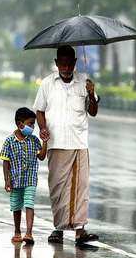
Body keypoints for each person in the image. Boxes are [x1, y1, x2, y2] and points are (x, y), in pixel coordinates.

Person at [32, 45, 100, 245]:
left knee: (80, 188)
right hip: (55, 143)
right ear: (56, 63)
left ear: (75, 63)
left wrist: (92, 93)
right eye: (62, 63)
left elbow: (93, 111)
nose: (66, 67)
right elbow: (39, 111)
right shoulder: (47, 84)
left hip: (78, 142)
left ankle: (80, 231)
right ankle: (58, 229)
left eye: (69, 63)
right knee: (58, 187)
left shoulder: (84, 83)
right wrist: (43, 128)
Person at [0, 107, 48, 245]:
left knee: (29, 204)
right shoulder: (9, 141)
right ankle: (17, 231)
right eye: (31, 124)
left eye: (33, 124)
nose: (33, 127)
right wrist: (7, 180)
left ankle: (29, 233)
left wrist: (45, 142)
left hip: (30, 179)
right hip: (15, 180)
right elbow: (5, 162)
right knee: (16, 206)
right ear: (20, 125)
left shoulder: (34, 140)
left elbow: (42, 156)